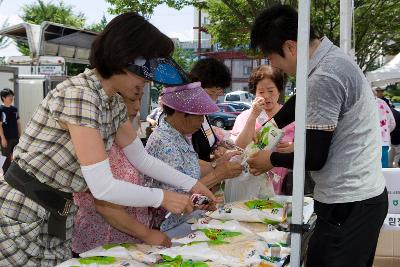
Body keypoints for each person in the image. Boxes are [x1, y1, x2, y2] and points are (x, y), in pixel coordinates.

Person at [0, 12, 215, 266]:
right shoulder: (81, 96)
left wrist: (191, 183)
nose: (147, 82)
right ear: (124, 59)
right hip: (24, 211)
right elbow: (102, 186)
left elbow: (141, 159)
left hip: (56, 213)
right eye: (146, 72)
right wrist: (162, 197)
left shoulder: (111, 103)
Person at [248, 5, 387, 267]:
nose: (272, 65)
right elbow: (303, 101)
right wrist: (271, 126)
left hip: (348, 204)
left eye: (271, 57)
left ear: (290, 47)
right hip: (360, 199)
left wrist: (271, 159)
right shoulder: (328, 58)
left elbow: (314, 157)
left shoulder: (324, 75)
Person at [72, 94, 171, 255]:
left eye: (139, 99)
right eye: (132, 99)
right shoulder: (98, 144)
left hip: (130, 244)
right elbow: (105, 206)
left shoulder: (129, 141)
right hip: (102, 245)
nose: (138, 106)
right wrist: (146, 233)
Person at [145, 82, 242, 233]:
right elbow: (178, 199)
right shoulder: (163, 142)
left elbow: (189, 169)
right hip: (168, 227)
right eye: (199, 115)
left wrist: (216, 165)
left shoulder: (178, 134)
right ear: (181, 113)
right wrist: (218, 175)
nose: (202, 121)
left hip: (185, 220)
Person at [231, 65, 295, 194]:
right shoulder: (245, 117)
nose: (266, 96)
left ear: (279, 90)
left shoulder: (291, 117)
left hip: (283, 187)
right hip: (249, 185)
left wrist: (294, 147)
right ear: (254, 93)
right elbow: (237, 148)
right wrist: (253, 116)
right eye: (261, 92)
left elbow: (307, 147)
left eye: (271, 91)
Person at [0, 88, 20, 174]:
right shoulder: (1, 109)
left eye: (12, 96)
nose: (11, 97)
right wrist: (3, 138)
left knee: (16, 157)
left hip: (15, 137)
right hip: (6, 138)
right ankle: (5, 174)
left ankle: (14, 175)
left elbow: (18, 123)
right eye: (9, 96)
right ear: (3, 98)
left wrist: (20, 135)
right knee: (5, 157)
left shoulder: (14, 109)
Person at [375, 94, 396, 168]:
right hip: (383, 141)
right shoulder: (382, 102)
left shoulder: (361, 101)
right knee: (383, 167)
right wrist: (386, 132)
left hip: (366, 141)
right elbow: (392, 123)